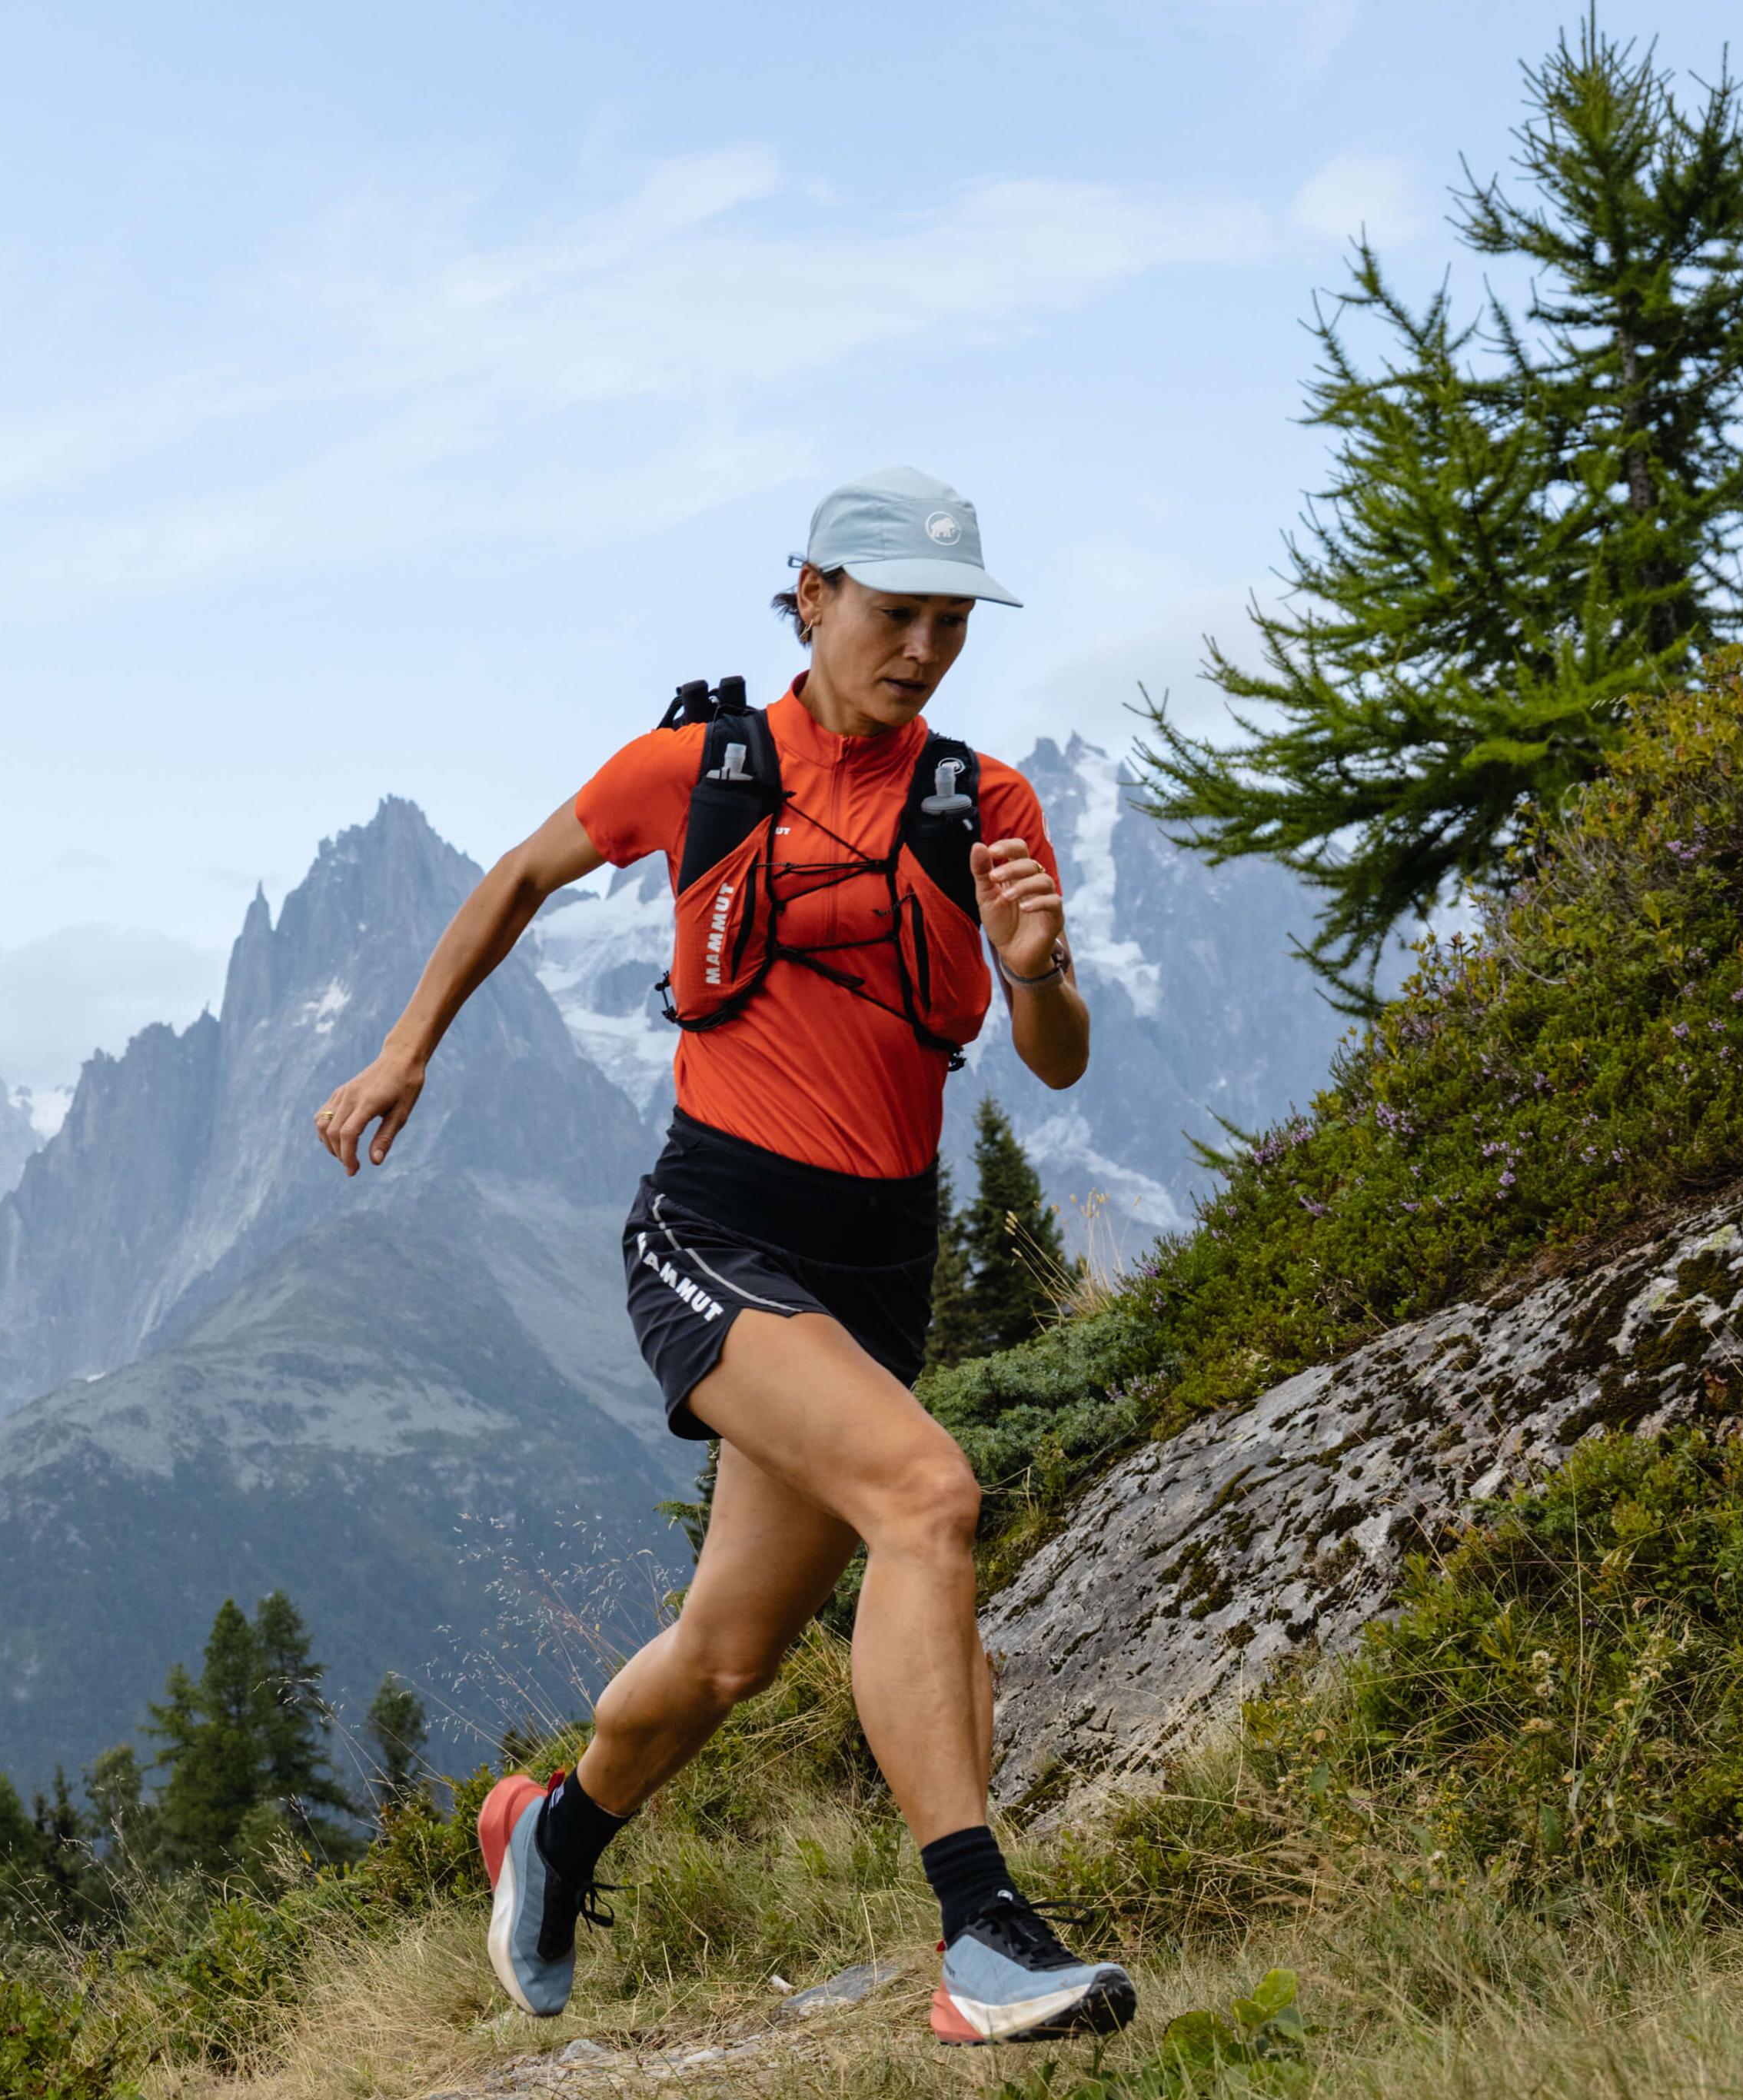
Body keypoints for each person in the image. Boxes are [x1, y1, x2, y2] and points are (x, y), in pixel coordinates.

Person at [312, 468, 1134, 2045]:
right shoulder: (698, 765)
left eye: (948, 622)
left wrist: (1034, 976)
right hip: (713, 1233)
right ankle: (980, 1939)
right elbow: (517, 877)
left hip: (876, 1269)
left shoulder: (986, 803)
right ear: (811, 593)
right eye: (892, 613)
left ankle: (549, 1833)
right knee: (929, 1496)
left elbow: (1059, 1063)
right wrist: (406, 1048)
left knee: (727, 1652)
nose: (920, 649)